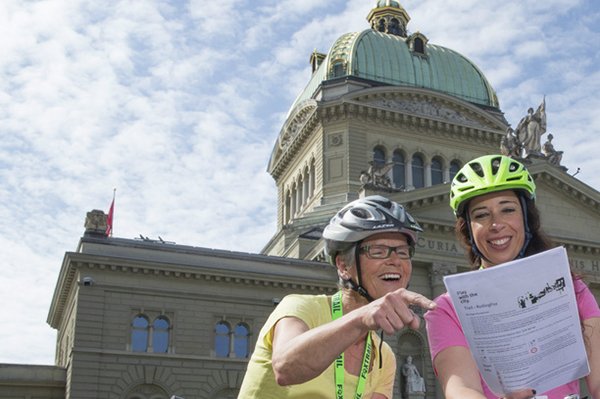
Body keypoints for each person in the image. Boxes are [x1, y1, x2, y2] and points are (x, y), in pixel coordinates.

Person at [424, 154, 600, 399]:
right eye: (482, 215)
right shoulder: (446, 310)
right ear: (468, 229)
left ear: (526, 218)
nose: (496, 224)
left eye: (507, 209)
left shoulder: (570, 287)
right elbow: (461, 388)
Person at [238, 195, 436, 398]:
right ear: (343, 266)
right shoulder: (300, 308)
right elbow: (286, 367)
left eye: (403, 252)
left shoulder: (383, 357)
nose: (395, 260)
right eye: (378, 251)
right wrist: (362, 319)